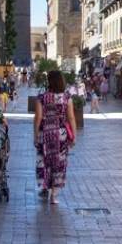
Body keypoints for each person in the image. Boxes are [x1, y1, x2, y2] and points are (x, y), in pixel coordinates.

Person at [34, 70, 77, 205]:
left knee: (45, 160)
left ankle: (45, 186)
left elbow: (38, 118)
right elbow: (71, 117)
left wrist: (35, 135)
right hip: (61, 134)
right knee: (59, 163)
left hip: (45, 133)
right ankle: (54, 195)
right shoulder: (67, 97)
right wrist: (73, 136)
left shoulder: (42, 97)